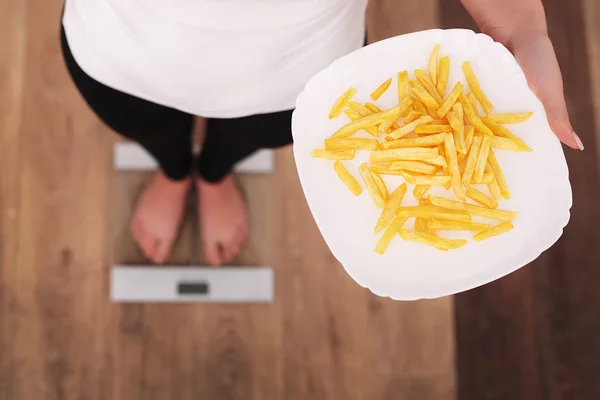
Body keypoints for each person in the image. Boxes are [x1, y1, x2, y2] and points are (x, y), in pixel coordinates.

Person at [61, 0, 583, 266]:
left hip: (297, 76)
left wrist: (523, 29)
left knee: (252, 136)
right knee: (148, 130)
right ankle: (173, 173)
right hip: (120, 57)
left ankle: (214, 176)